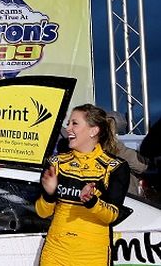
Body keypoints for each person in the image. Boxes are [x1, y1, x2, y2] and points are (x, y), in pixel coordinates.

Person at [35, 103, 130, 266]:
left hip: (92, 255)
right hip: (55, 252)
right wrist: (49, 194)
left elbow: (112, 216)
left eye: (75, 123)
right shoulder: (56, 163)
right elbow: (42, 213)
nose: (68, 128)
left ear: (94, 130)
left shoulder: (115, 166)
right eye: (68, 123)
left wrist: (92, 201)